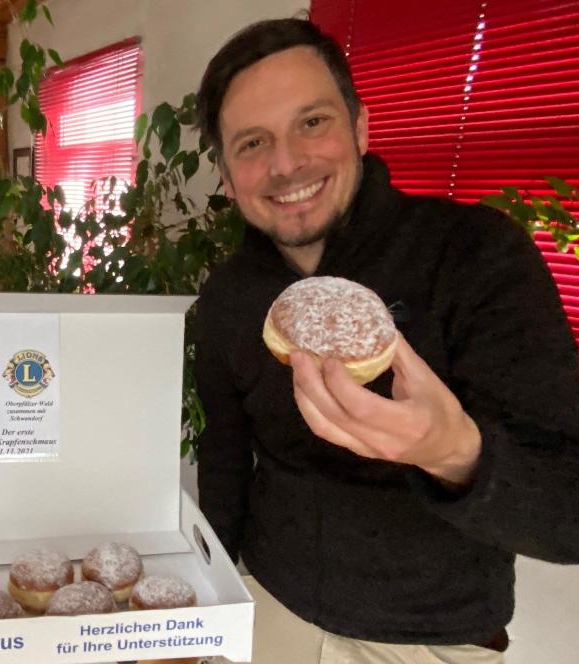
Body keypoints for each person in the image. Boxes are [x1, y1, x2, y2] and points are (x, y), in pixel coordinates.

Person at [192, 18, 579, 664]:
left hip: (432, 640)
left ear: (361, 129)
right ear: (228, 177)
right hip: (269, 610)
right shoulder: (230, 297)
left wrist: (454, 453)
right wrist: (213, 604)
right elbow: (226, 459)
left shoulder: (474, 255)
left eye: (312, 123)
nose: (286, 164)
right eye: (253, 142)